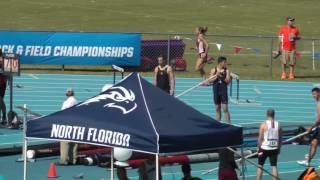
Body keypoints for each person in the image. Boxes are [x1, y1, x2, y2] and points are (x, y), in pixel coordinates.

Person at [256, 109, 282, 180]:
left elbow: (260, 138)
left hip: (264, 148)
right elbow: (280, 138)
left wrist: (258, 147)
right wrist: (279, 148)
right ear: (274, 115)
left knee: (260, 166)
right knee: (274, 166)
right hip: (274, 148)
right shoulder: (279, 124)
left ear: (267, 115)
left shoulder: (263, 124)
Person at [298, 87, 320, 166]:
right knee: (313, 143)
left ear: (319, 93)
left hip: (318, 127)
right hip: (318, 128)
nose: (313, 96)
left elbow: (318, 119)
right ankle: (307, 161)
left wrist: (311, 128)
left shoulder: (319, 104)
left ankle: (308, 160)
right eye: (312, 94)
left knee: (313, 143)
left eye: (314, 94)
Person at [58, 88, 78, 165]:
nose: (66, 92)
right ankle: (73, 160)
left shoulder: (67, 102)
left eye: (67, 91)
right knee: (73, 143)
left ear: (69, 93)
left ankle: (64, 160)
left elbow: (63, 112)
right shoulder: (75, 101)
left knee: (64, 143)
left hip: (67, 123)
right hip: (74, 123)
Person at [208, 56, 231, 123]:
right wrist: (216, 76)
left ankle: (228, 124)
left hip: (223, 92)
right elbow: (209, 80)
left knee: (225, 109)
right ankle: (218, 124)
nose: (226, 63)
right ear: (220, 63)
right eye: (224, 62)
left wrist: (221, 77)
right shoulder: (213, 70)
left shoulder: (227, 71)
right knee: (217, 108)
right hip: (216, 91)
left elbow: (228, 81)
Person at [0, 51, 7, 124]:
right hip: (3, 83)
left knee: (0, 100)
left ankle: (4, 116)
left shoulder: (3, 60)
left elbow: (7, 71)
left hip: (2, 83)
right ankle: (4, 117)